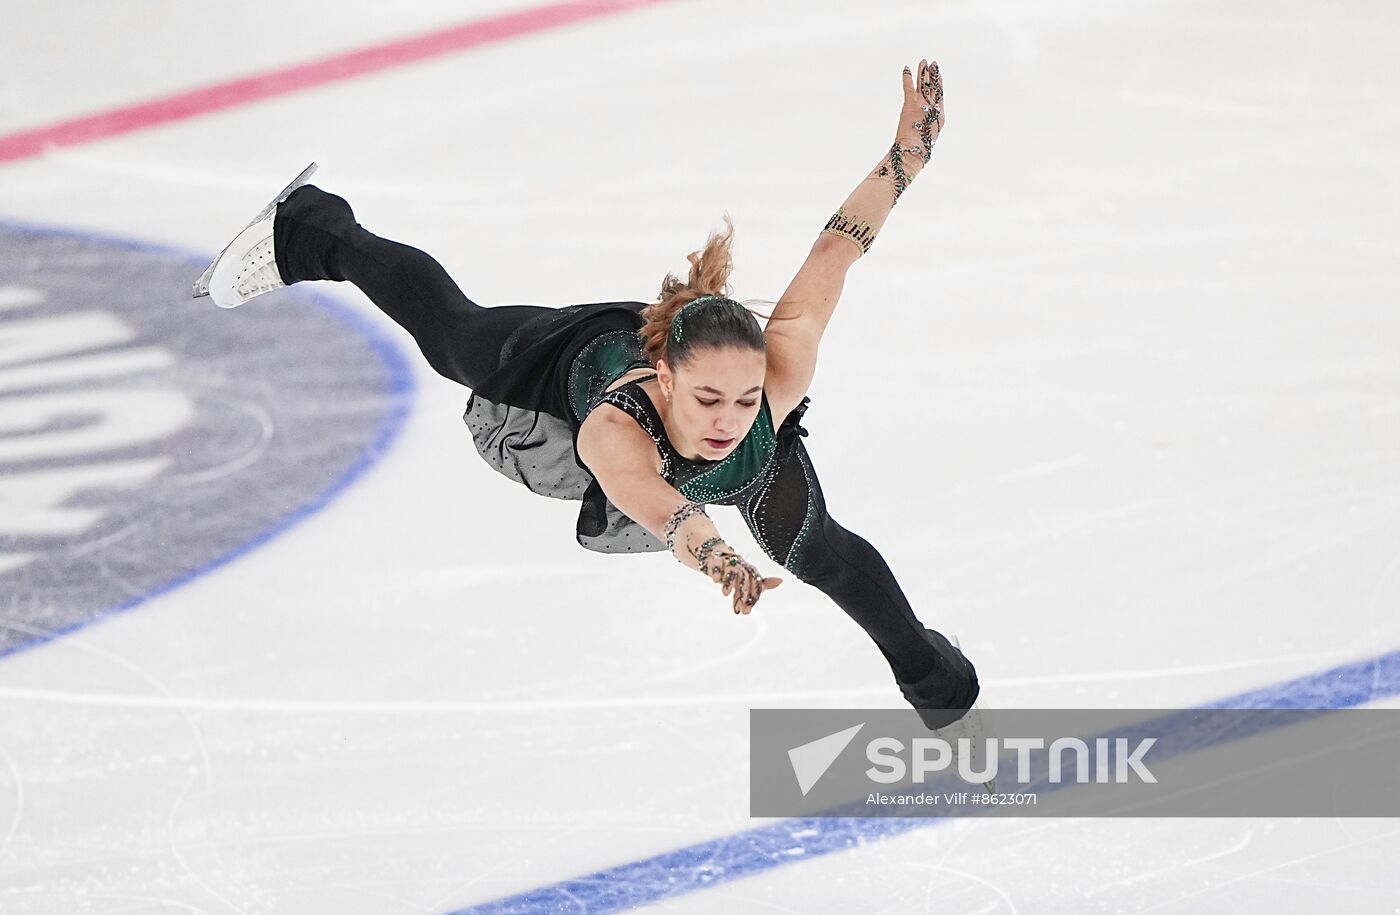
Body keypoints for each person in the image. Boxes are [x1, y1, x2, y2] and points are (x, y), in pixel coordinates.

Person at [195, 59, 979, 728]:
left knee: (819, 547)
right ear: (667, 377)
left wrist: (908, 150)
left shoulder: (776, 375)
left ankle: (931, 680)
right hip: (561, 368)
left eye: (744, 401)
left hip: (680, 394)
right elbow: (664, 507)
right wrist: (716, 559)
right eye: (708, 400)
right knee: (449, 334)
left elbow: (837, 246)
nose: (729, 423)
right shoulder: (616, 428)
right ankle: (313, 230)